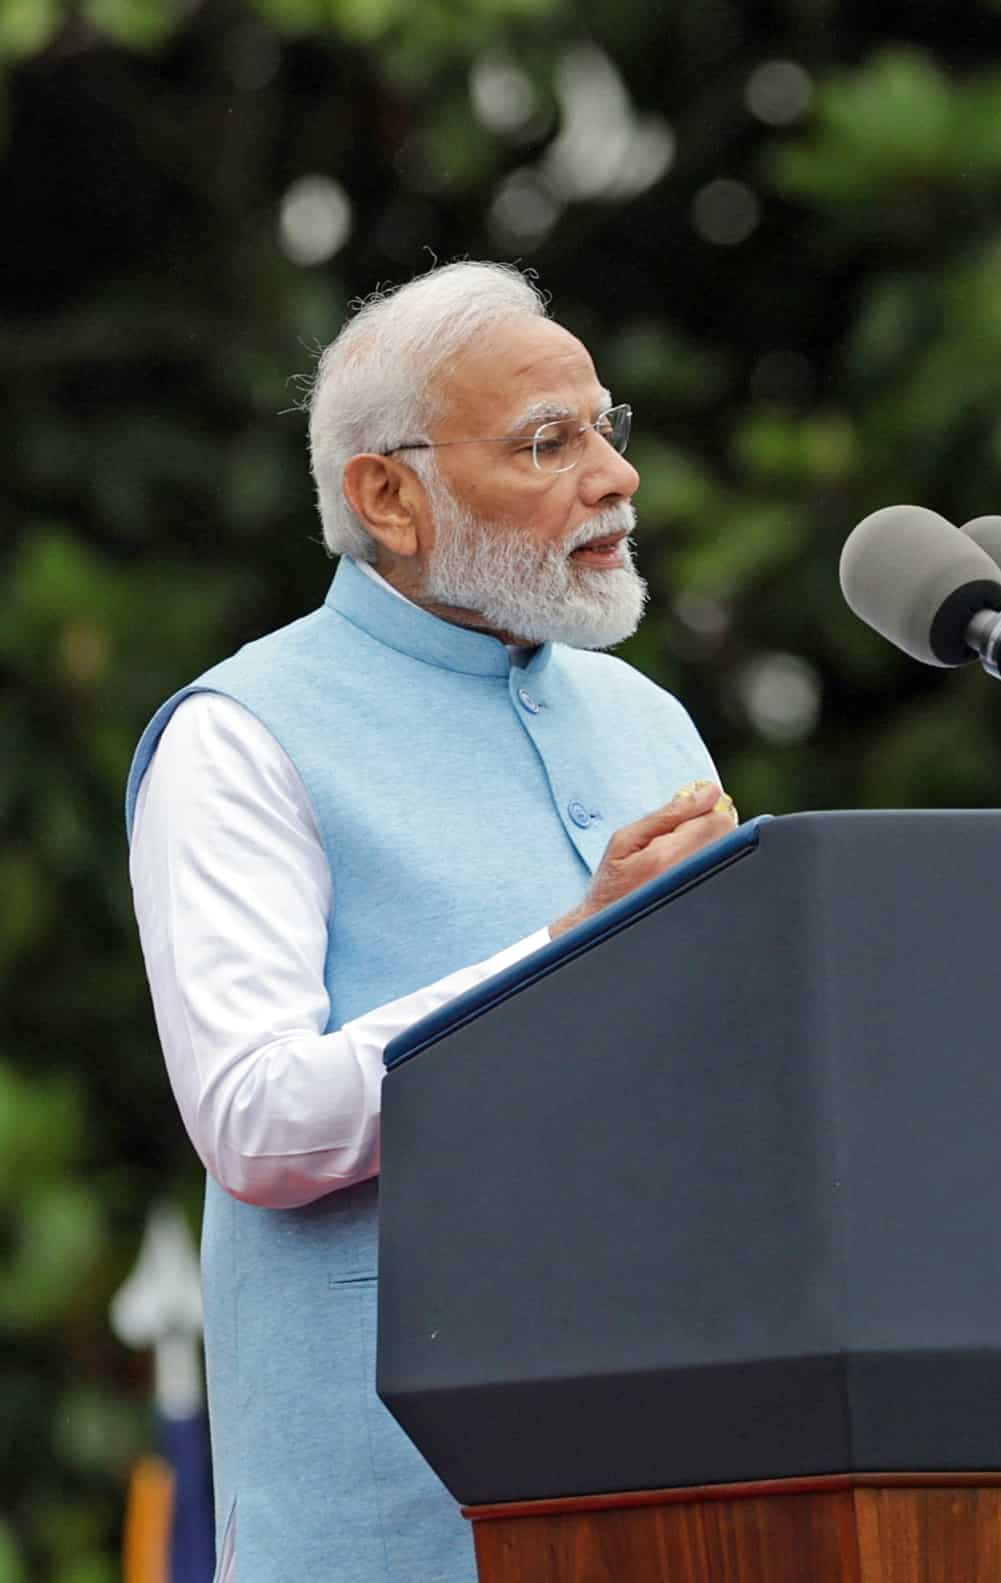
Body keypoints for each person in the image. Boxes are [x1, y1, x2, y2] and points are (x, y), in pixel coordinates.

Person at [124, 261, 738, 1583]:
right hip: (391, 1519)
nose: (617, 475)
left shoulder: (645, 720)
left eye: (604, 427)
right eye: (546, 442)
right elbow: (257, 1119)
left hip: (678, 1495)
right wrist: (562, 962)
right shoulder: (239, 736)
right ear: (389, 497)